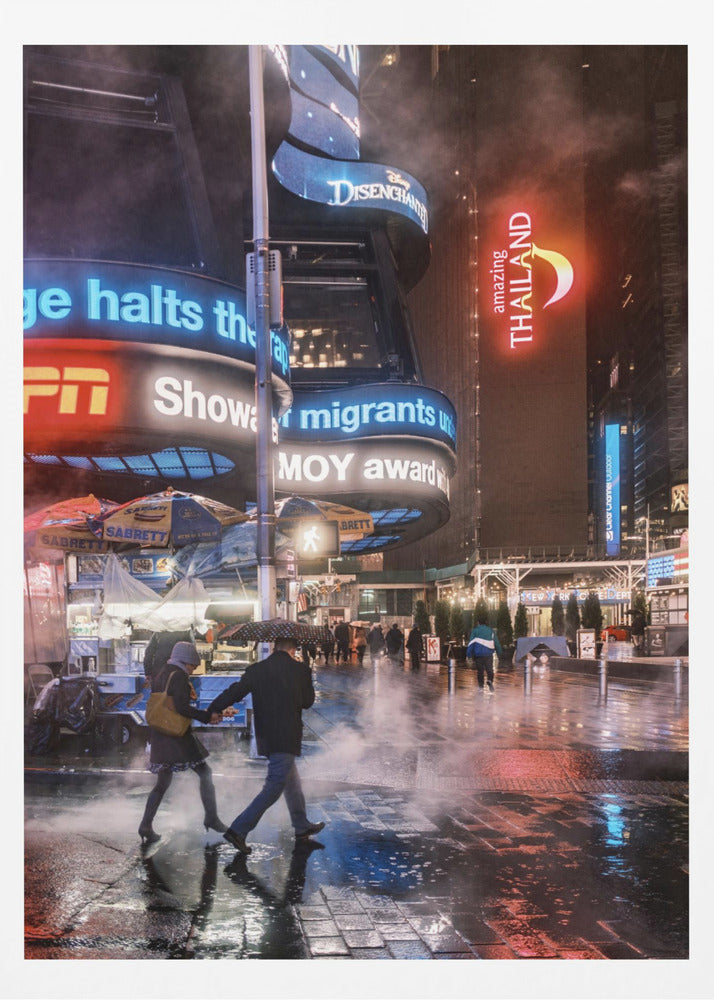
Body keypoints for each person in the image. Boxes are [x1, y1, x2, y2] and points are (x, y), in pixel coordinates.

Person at [205, 636, 325, 855]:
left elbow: (235, 691)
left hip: (266, 735)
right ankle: (238, 830)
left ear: (274, 647)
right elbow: (307, 703)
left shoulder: (258, 669)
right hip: (287, 735)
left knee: (291, 781)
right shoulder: (300, 670)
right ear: (293, 649)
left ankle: (301, 825)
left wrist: (213, 708)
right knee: (274, 786)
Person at [138, 641, 226, 846]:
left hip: (161, 733)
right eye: (192, 664)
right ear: (185, 660)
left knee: (162, 783)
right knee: (205, 772)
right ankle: (211, 818)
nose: (194, 668)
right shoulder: (178, 676)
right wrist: (207, 716)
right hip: (177, 736)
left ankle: (145, 825)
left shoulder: (162, 672)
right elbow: (181, 707)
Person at [466, 615, 503, 691]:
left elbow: (471, 643)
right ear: (486, 622)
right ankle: (489, 680)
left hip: (478, 655)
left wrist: (468, 654)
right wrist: (500, 652)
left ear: (478, 622)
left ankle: (480, 687)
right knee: (489, 669)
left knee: (480, 671)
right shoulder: (490, 631)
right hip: (488, 654)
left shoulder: (475, 631)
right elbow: (496, 642)